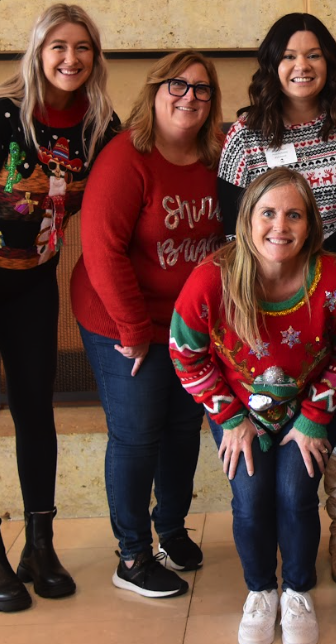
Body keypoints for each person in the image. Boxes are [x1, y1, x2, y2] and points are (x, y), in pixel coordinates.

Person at [0, 4, 117, 612]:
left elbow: (136, 165)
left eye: (82, 47)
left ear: (95, 57)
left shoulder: (97, 125)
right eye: (58, 46)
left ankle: (40, 544)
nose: (71, 58)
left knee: (38, 410)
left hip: (33, 284)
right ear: (37, 53)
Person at [218, 12, 336, 585]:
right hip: (269, 300)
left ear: (329, 64)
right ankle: (278, 537)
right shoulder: (244, 136)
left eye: (313, 54)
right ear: (273, 64)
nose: (302, 66)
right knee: (278, 407)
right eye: (289, 55)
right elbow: (229, 230)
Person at [171, 168, 336, 644]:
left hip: (309, 409)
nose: (281, 226)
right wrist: (230, 420)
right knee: (252, 501)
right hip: (238, 410)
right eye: (268, 213)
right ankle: (260, 591)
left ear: (311, 223)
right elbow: (184, 352)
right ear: (246, 220)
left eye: (294, 215)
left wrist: (316, 420)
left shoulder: (335, 279)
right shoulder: (209, 280)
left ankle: (297, 590)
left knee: (296, 496)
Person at [72, 51, 224, 599]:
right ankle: (132, 555)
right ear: (154, 92)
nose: (189, 97)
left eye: (202, 89)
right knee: (138, 435)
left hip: (187, 326)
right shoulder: (125, 159)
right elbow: (101, 253)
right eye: (177, 85)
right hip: (121, 320)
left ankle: (171, 530)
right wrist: (133, 331)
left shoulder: (216, 156)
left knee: (183, 430)